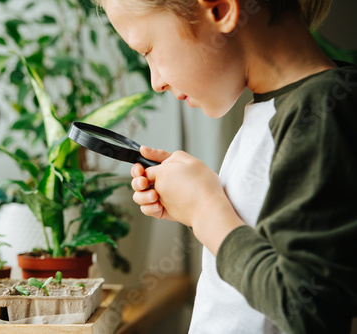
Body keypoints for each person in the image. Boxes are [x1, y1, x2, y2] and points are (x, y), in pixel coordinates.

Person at [97, 0, 357, 333]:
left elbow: (307, 308)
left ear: (220, 10)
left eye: (147, 50)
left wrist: (205, 212)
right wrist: (194, 205)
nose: (156, 82)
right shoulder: (276, 110)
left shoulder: (321, 113)